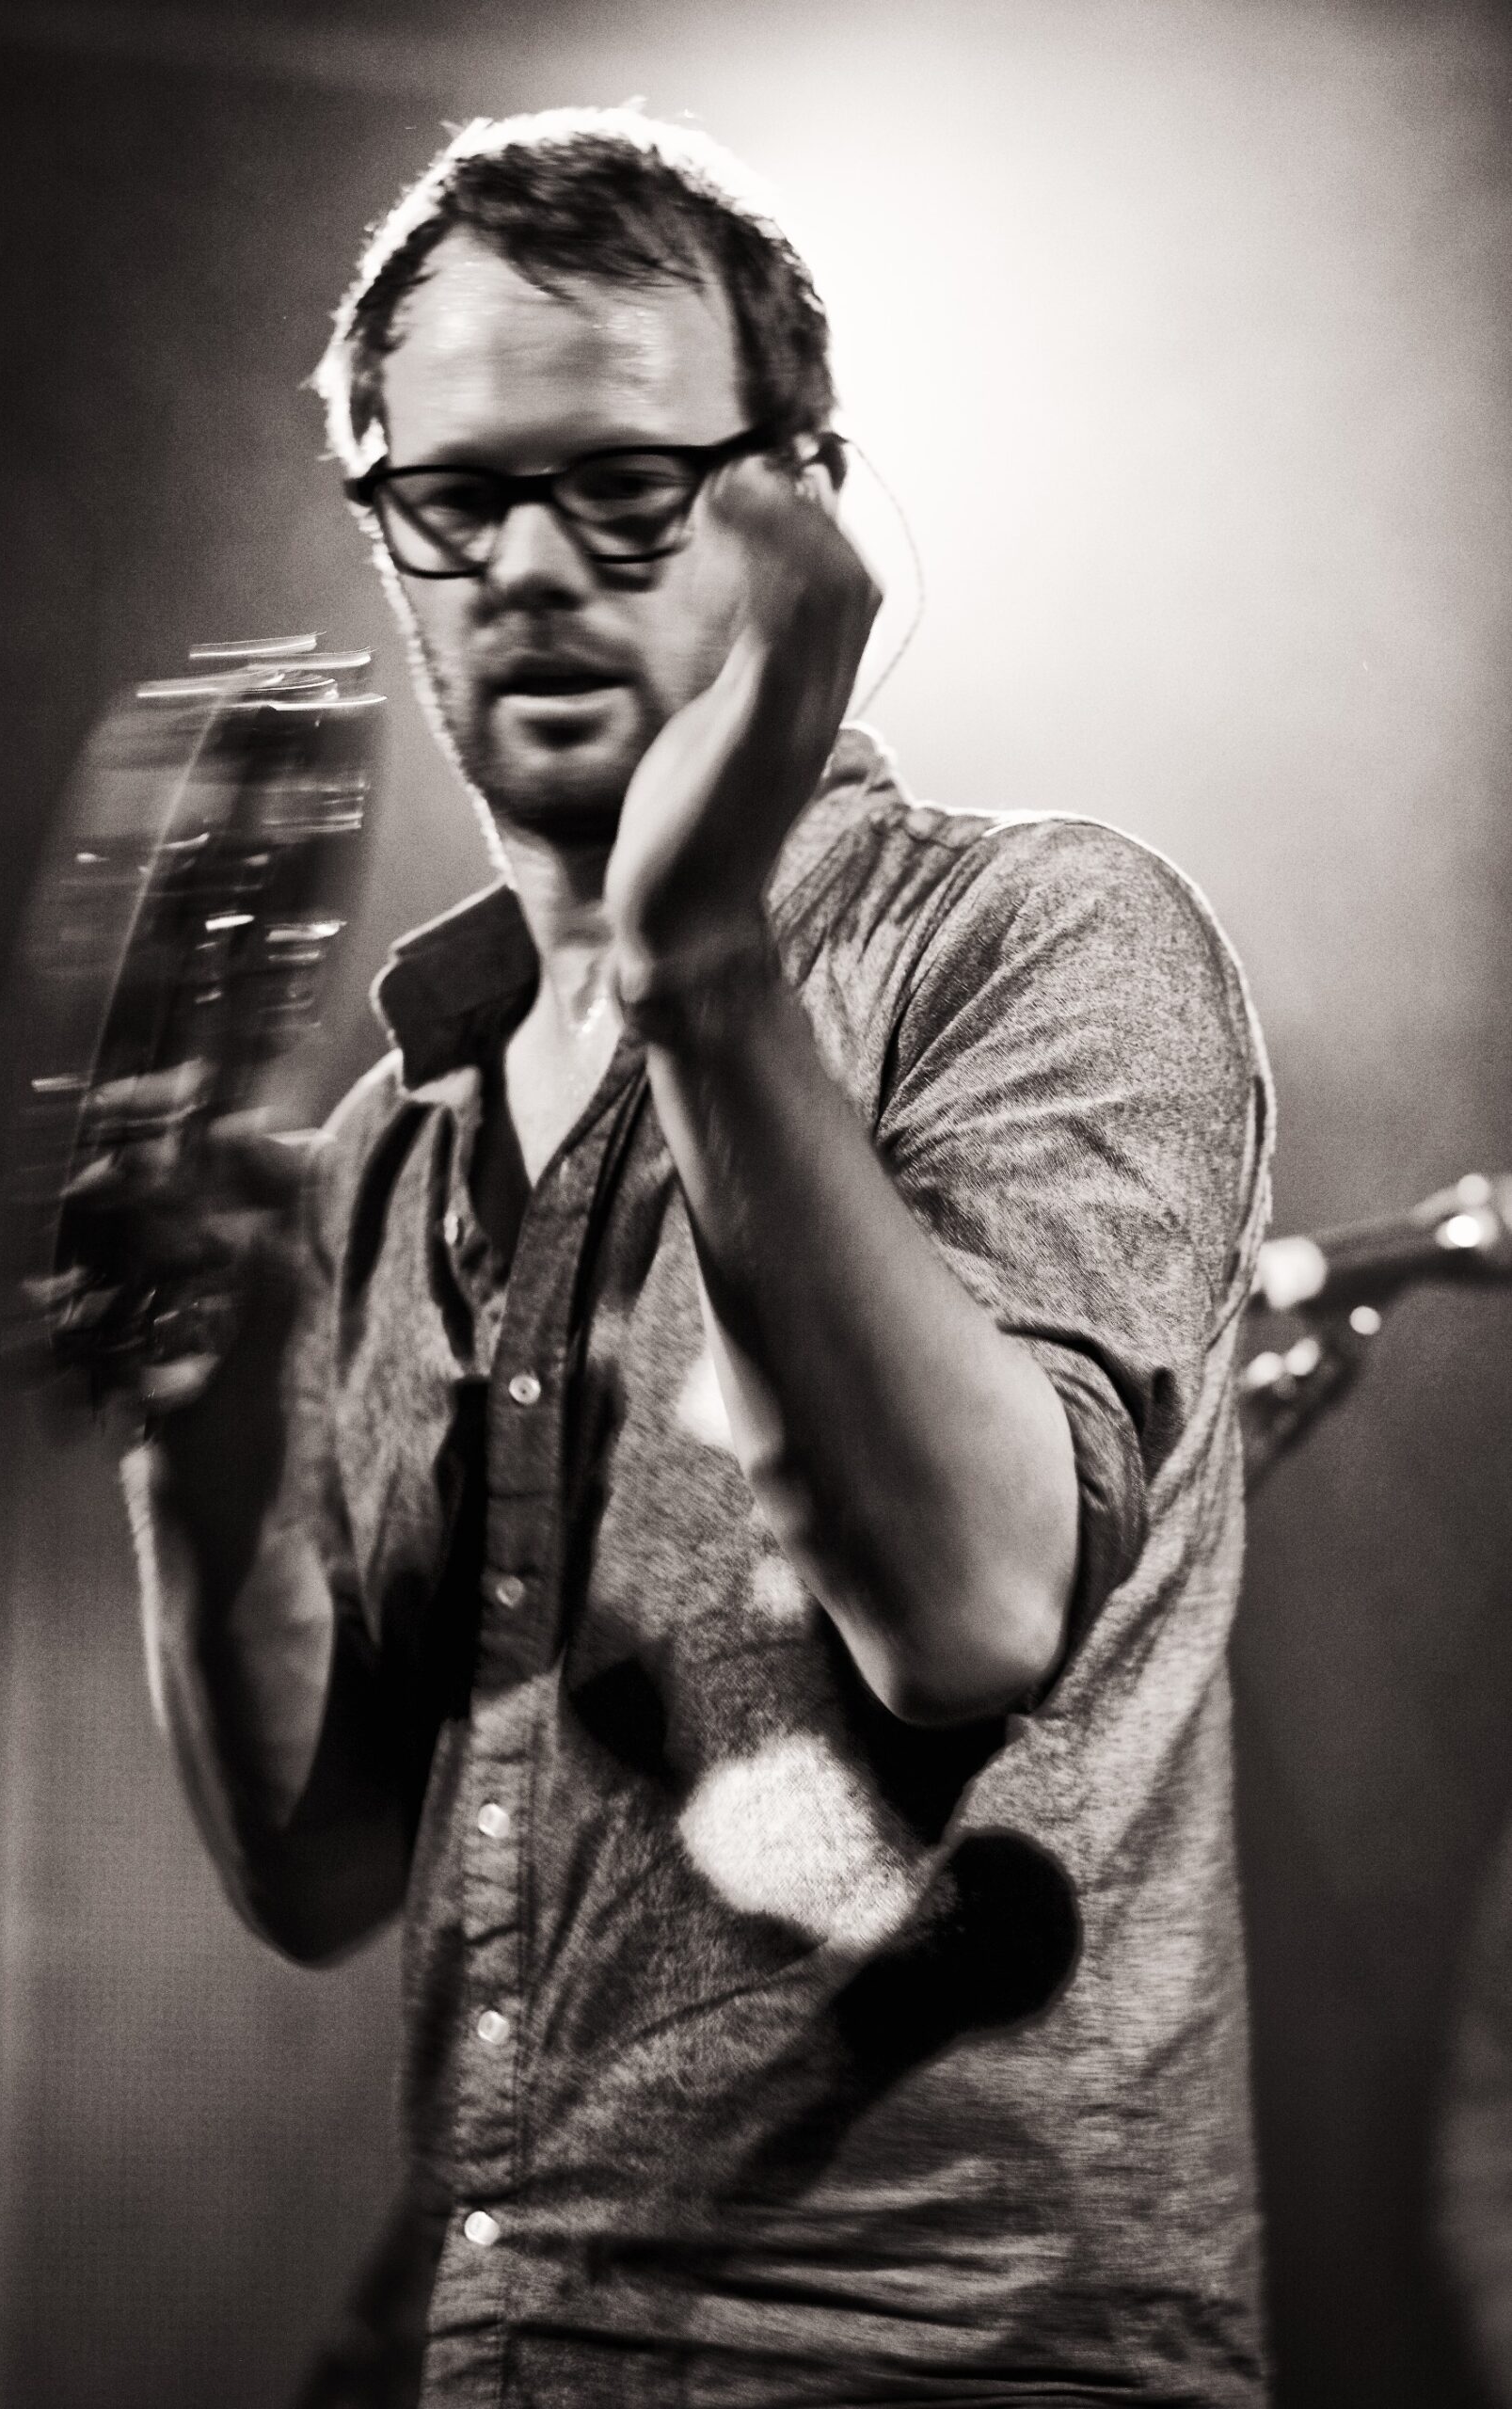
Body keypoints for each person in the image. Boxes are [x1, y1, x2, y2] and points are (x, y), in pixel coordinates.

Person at [113, 105, 1274, 2407]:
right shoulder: (386, 1144)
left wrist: (696, 961)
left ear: (799, 504)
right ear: (382, 532)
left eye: (628, 487)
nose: (533, 560)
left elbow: (962, 1612)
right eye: (456, 497)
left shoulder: (1036, 939)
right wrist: (202, 1444)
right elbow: (321, 1869)